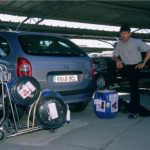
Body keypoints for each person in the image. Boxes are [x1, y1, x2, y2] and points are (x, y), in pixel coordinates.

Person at [107, 24, 150, 119]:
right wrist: (117, 60)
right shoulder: (119, 44)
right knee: (109, 62)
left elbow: (149, 49)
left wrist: (143, 62)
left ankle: (135, 112)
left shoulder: (136, 42)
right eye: (122, 34)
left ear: (130, 34)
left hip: (135, 68)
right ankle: (113, 82)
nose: (124, 36)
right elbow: (114, 56)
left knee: (134, 89)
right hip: (125, 66)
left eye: (126, 33)